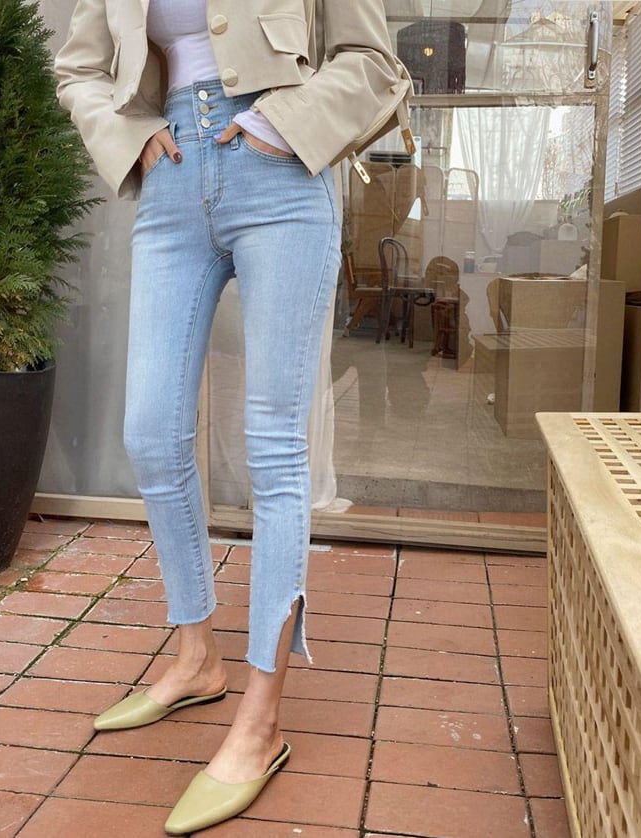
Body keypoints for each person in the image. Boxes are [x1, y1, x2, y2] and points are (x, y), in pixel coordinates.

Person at [54, 2, 411, 833]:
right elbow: (78, 67)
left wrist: (280, 126)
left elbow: (373, 62)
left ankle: (262, 718)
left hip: (280, 169)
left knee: (273, 445)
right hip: (172, 174)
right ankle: (196, 657)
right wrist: (129, 134)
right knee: (150, 433)